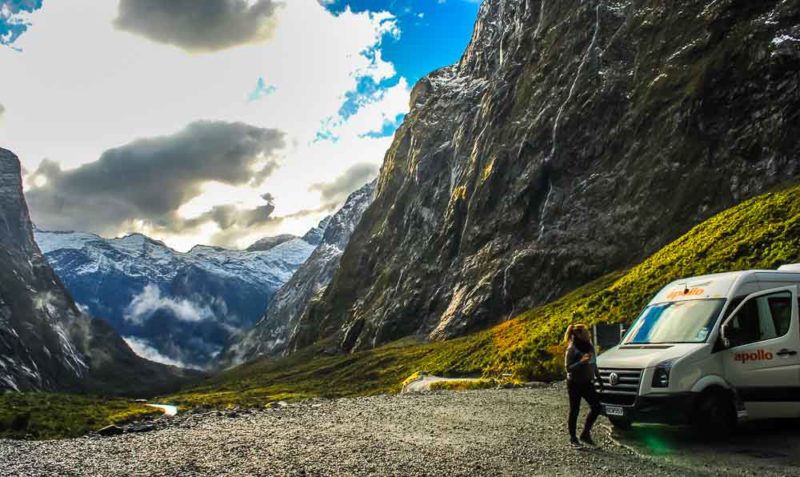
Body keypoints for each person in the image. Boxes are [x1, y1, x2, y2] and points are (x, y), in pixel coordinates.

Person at [564, 323, 604, 447]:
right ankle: (573, 438)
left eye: (588, 332)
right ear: (578, 334)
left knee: (596, 407)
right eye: (585, 332)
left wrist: (599, 378)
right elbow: (568, 368)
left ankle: (585, 434)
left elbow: (593, 363)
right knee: (575, 410)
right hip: (574, 383)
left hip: (587, 382)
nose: (588, 334)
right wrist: (581, 362)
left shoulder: (590, 346)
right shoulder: (572, 349)